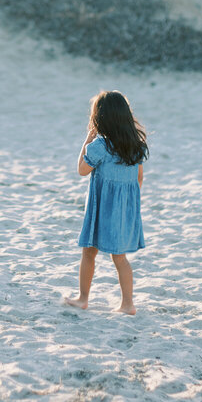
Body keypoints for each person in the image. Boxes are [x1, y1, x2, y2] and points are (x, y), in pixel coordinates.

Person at [63, 90, 148, 315]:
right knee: (120, 258)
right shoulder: (134, 145)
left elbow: (82, 170)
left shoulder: (100, 145)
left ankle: (83, 298)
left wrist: (87, 141)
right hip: (125, 209)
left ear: (100, 119)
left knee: (89, 252)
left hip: (101, 209)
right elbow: (139, 179)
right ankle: (128, 303)